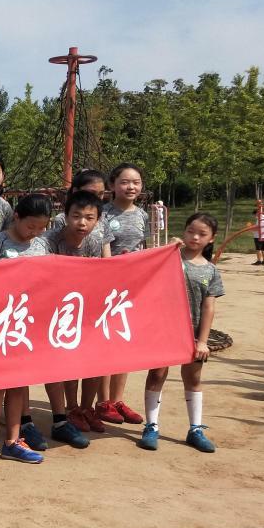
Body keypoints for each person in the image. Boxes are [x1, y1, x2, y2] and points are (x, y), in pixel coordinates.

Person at [0, 193, 51, 469]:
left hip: (27, 326)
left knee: (19, 383)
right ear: (16, 216)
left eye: (41, 227)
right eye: (31, 225)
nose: (35, 232)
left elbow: (51, 282)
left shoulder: (42, 245)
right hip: (0, 324)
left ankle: (13, 440)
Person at [140, 214, 222, 454]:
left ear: (211, 239)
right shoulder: (170, 258)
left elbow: (209, 306)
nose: (194, 237)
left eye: (202, 234)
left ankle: (195, 428)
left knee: (193, 378)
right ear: (184, 231)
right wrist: (166, 250)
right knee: (157, 374)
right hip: (164, 330)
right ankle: (151, 426)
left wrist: (203, 340)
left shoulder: (211, 270)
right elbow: (147, 269)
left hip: (194, 334)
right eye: (190, 231)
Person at [37, 189, 110, 451]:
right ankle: (60, 419)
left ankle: (84, 409)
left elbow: (104, 274)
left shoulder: (95, 240)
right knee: (55, 362)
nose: (82, 222)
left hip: (84, 309)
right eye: (76, 216)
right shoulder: (47, 241)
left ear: (97, 220)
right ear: (65, 216)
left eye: (89, 217)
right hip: (52, 310)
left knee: (90, 359)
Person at [99, 163, 152, 428]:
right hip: (108, 289)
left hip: (135, 288)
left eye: (136, 182)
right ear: (112, 185)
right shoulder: (103, 214)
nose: (131, 187)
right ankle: (103, 401)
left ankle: (118, 400)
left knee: (125, 342)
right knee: (107, 342)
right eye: (124, 182)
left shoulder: (143, 215)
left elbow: (147, 249)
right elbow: (101, 249)